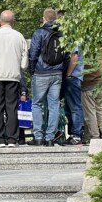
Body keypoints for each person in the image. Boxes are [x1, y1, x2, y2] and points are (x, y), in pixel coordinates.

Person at [0, 10, 28, 147]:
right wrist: (20, 68)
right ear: (12, 21)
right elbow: (25, 59)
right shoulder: (19, 36)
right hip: (13, 75)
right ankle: (13, 139)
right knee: (11, 107)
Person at [27, 8, 65, 146]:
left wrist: (33, 71)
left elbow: (33, 54)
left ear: (44, 18)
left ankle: (38, 136)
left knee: (37, 104)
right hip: (57, 73)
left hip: (41, 72)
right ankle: (50, 138)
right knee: (54, 105)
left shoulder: (39, 33)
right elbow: (65, 55)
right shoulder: (62, 33)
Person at [63, 43, 85, 146]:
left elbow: (74, 56)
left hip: (73, 77)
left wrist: (68, 74)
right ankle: (73, 134)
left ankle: (77, 135)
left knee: (75, 107)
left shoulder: (75, 40)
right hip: (74, 77)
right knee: (68, 108)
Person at [82, 56, 102, 142]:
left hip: (89, 84)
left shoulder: (85, 53)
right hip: (101, 83)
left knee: (90, 112)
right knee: (99, 108)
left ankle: (95, 136)